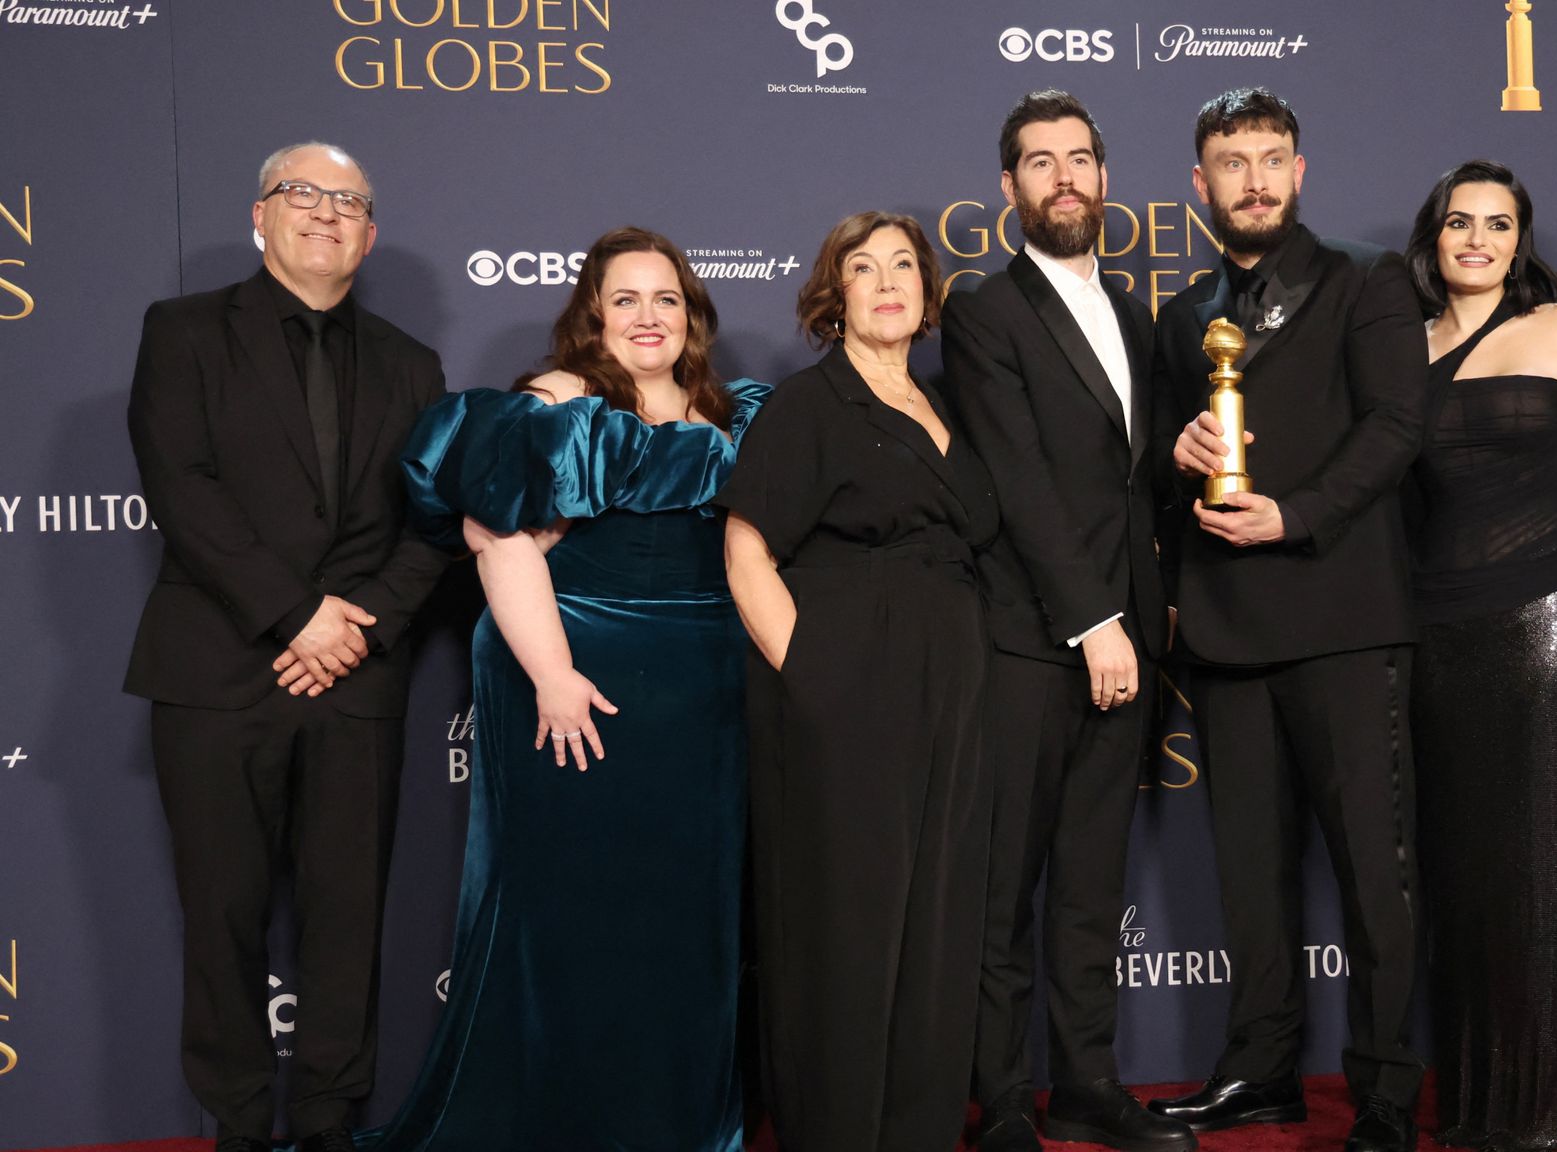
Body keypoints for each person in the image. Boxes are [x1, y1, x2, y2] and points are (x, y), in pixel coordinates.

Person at [364, 227, 765, 1151]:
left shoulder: (731, 411)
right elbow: (497, 539)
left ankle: (671, 1123)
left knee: (685, 925)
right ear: (593, 314)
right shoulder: (558, 401)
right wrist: (552, 676)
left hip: (702, 695)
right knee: (572, 917)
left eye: (664, 298)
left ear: (691, 311)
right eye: (624, 300)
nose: (647, 316)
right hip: (576, 686)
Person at [124, 142, 451, 1152]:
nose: (324, 212)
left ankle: (325, 1121)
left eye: (348, 201)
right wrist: (293, 614)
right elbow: (181, 486)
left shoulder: (411, 362)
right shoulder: (182, 333)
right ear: (260, 216)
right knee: (220, 914)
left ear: (371, 233)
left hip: (355, 679)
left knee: (346, 917)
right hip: (220, 671)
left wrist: (357, 627)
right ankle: (234, 1121)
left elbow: (432, 521)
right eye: (300, 193)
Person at [1142, 89, 1431, 1152]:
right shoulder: (1182, 317)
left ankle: (1385, 1094)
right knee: (1247, 880)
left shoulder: (1367, 279)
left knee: (1372, 874)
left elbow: (1398, 424)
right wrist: (1174, 462)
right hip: (1222, 628)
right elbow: (1172, 476)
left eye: (1271, 158)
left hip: (1345, 619)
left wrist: (1296, 514)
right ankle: (1258, 1074)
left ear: (1299, 172)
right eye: (1231, 161)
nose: (1253, 178)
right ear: (1199, 184)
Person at [940, 90, 1192, 1152]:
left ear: (1101, 176)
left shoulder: (1134, 309)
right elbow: (1020, 482)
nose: (1062, 178)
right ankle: (1000, 1100)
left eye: (1078, 159)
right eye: (1038, 163)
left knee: (1093, 882)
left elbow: (1125, 481)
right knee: (1007, 888)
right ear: (1008, 188)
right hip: (1033, 641)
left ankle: (1087, 1083)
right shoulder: (981, 313)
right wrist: (1093, 622)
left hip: (1130, 634)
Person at [718, 211, 999, 1152]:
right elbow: (747, 549)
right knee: (846, 918)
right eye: (863, 266)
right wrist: (813, 676)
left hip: (951, 676)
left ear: (926, 292)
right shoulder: (810, 404)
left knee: (935, 912)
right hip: (844, 673)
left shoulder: (945, 404)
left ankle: (913, 1130)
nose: (888, 281)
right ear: (833, 295)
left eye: (905, 266)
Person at [1401, 159, 1557, 1152]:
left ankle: (1543, 1111)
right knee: (1464, 873)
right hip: (1435, 636)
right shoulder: (1398, 348)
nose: (1475, 239)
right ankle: (1478, 1102)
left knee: (1542, 863)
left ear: (1519, 240)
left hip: (1549, 627)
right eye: (1457, 222)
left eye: (1496, 223)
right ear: (1432, 238)